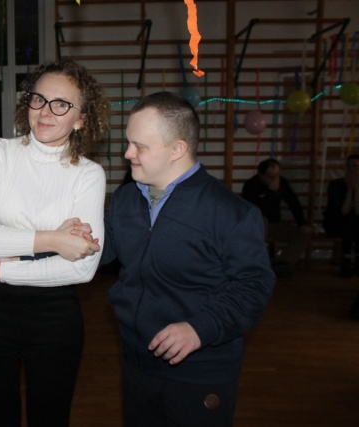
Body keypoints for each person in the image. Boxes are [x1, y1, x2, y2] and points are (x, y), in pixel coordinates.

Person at [101, 92, 275, 427]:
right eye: (128, 143)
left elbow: (255, 285)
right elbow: (103, 252)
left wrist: (200, 328)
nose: (127, 154)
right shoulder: (124, 199)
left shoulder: (231, 212)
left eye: (139, 146)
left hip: (201, 372)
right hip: (137, 365)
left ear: (177, 149)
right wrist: (75, 239)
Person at [0, 60, 109, 426]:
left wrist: (3, 270)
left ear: (81, 119)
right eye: (38, 99)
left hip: (53, 314)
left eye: (61, 104)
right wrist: (55, 240)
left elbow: (83, 267)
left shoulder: (89, 175)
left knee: (50, 418)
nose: (45, 111)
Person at [242, 158, 312, 278]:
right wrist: (271, 193)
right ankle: (255, 263)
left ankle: (283, 263)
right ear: (261, 175)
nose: (275, 180)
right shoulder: (251, 186)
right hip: (256, 229)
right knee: (262, 219)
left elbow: (293, 203)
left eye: (277, 176)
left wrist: (302, 223)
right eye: (271, 177)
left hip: (276, 225)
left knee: (305, 232)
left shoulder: (282, 183)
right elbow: (255, 212)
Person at [323, 154, 359, 278]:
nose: (352, 170)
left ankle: (352, 258)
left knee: (355, 221)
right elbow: (343, 211)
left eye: (356, 166)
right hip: (336, 223)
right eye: (349, 166)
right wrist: (350, 189)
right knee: (350, 220)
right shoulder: (335, 185)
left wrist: (357, 189)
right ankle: (347, 258)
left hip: (354, 225)